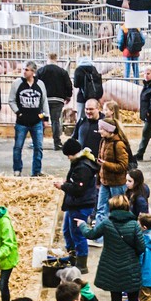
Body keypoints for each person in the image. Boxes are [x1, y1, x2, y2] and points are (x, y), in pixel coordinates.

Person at [79, 195, 144, 301]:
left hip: (111, 269)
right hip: (130, 269)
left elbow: (91, 235)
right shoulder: (134, 225)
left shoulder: (107, 223)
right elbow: (141, 248)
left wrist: (82, 224)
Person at [57, 114, 99, 273]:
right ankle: (73, 255)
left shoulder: (82, 167)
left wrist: (62, 186)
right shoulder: (79, 163)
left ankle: (82, 263)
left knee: (78, 233)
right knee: (68, 231)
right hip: (75, 204)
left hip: (81, 204)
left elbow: (78, 188)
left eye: (68, 155)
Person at [95, 105, 132, 227]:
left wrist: (105, 164)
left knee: (118, 211)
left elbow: (123, 166)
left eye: (101, 129)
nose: (99, 131)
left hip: (117, 183)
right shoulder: (103, 141)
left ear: (109, 130)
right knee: (101, 209)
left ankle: (121, 233)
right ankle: (99, 238)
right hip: (105, 182)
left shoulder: (119, 144)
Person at [10, 62, 48, 177]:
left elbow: (44, 101)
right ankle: (17, 170)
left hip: (37, 121)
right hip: (21, 122)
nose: (24, 72)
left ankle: (36, 171)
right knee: (18, 147)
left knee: (38, 147)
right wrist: (18, 112)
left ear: (33, 72)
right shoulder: (17, 83)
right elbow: (11, 100)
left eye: (27, 69)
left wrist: (45, 117)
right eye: (23, 69)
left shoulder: (40, 84)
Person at [37, 53, 73, 150]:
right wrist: (68, 96)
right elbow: (68, 85)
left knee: (41, 120)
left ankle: (37, 142)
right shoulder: (62, 72)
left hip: (43, 100)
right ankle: (57, 143)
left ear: (47, 58)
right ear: (56, 59)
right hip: (58, 100)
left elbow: (36, 84)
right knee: (55, 121)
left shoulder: (41, 71)